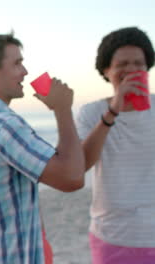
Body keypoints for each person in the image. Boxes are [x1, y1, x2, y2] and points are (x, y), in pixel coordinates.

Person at [0, 33, 85, 263]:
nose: (24, 72)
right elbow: (72, 177)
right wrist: (63, 109)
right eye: (17, 63)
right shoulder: (5, 125)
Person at [76, 27, 155, 263]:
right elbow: (81, 165)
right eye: (122, 64)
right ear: (106, 70)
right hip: (112, 237)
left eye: (138, 63)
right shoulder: (92, 112)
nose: (131, 70)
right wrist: (114, 110)